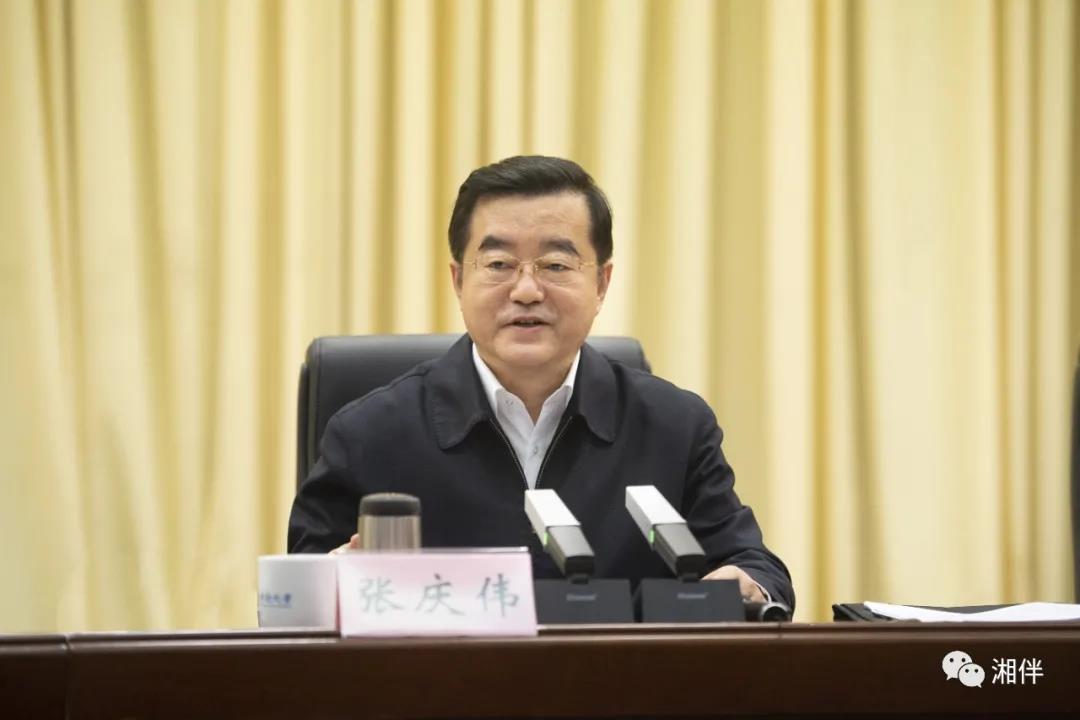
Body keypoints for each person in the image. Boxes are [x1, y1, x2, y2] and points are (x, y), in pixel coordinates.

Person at [288, 155, 794, 608]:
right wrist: (332, 581)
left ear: (601, 283)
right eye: (499, 264)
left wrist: (744, 583)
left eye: (555, 264)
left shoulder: (674, 427)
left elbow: (755, 567)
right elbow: (294, 606)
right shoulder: (370, 434)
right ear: (459, 281)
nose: (527, 290)